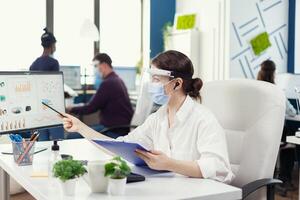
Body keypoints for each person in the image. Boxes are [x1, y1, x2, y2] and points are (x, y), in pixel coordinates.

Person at [62, 50, 234, 183]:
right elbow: (120, 146)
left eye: (156, 80)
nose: (152, 85)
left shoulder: (203, 119)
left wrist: (169, 164)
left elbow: (218, 169)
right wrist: (80, 127)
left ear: (177, 83)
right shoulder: (157, 119)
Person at [67, 53, 134, 138]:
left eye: (96, 66)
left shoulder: (108, 83)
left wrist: (71, 108)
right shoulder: (117, 79)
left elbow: (91, 107)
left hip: (112, 130)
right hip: (119, 128)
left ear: (104, 65)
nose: (95, 70)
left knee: (72, 136)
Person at [257, 60, 297, 191]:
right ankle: (284, 179)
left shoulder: (255, 89)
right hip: (276, 136)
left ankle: (270, 179)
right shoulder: (277, 91)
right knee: (291, 145)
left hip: (259, 135)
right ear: (274, 73)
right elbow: (292, 111)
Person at [28, 28, 63, 141]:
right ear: (52, 45)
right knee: (59, 144)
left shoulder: (33, 64)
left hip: (39, 111)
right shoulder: (53, 63)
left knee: (43, 145)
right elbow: (55, 88)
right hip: (52, 111)